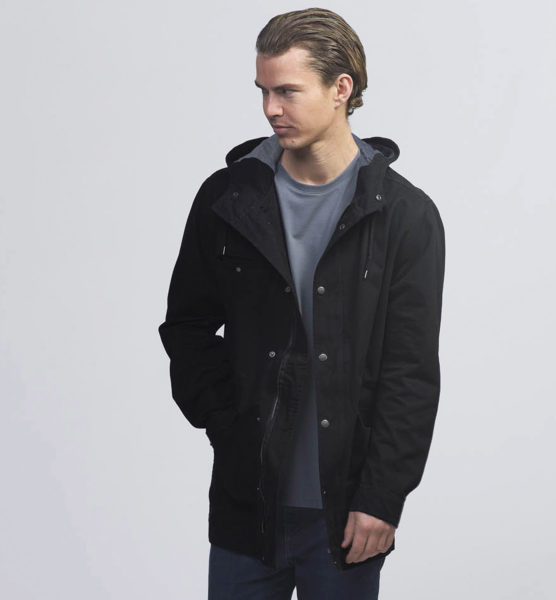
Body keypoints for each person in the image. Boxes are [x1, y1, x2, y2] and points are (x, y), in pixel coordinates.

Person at [158, 7, 445, 599]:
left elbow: (410, 373)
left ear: (341, 89)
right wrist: (225, 422)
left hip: (347, 514)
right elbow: (186, 326)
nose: (270, 109)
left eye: (287, 91)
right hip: (246, 504)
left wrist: (382, 498)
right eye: (263, 91)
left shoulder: (404, 215)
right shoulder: (227, 197)